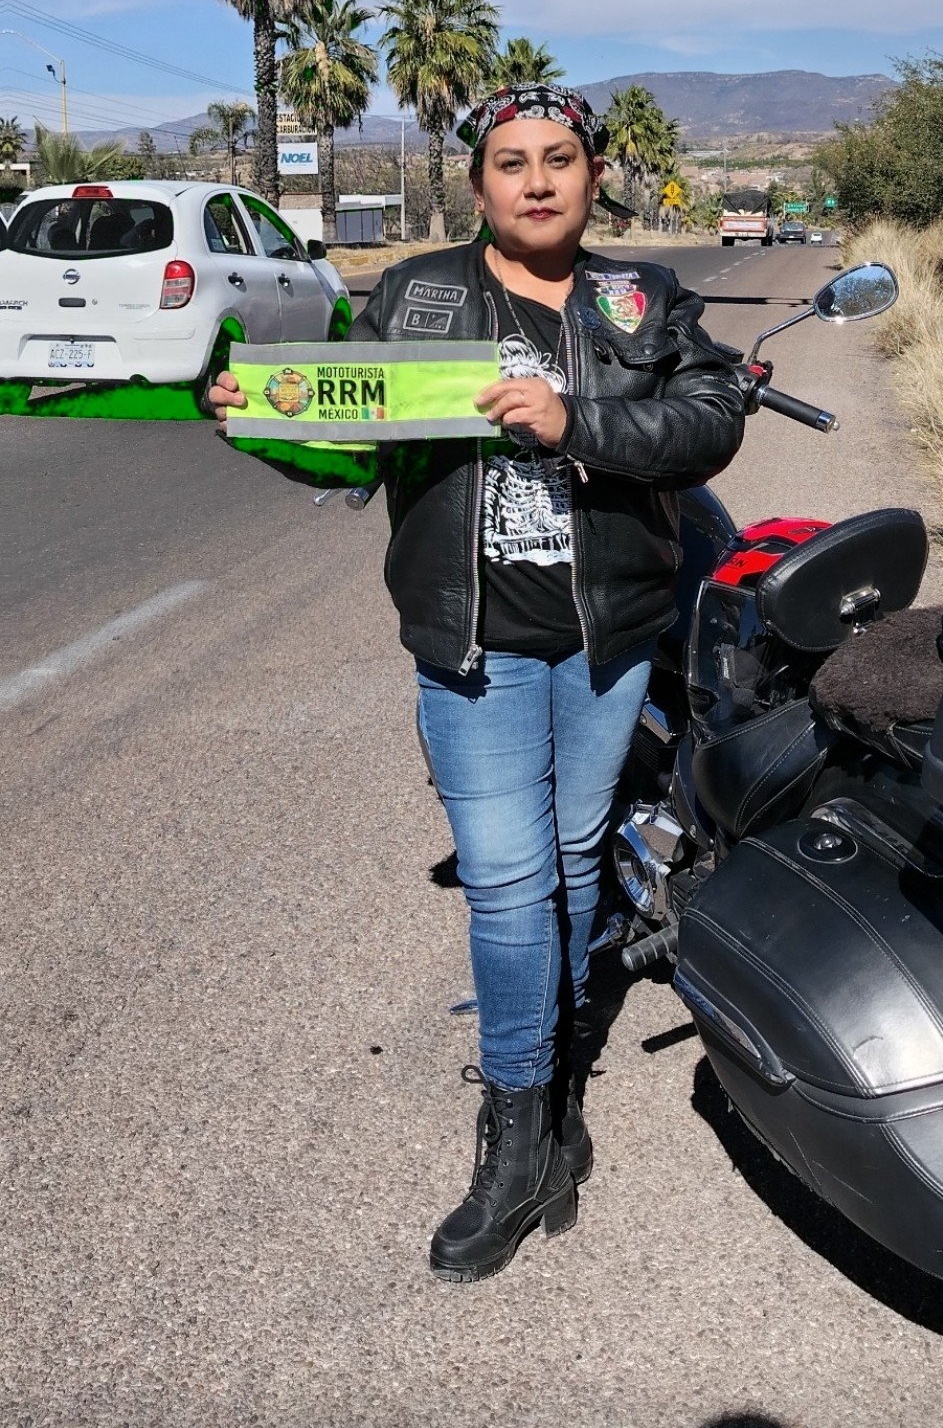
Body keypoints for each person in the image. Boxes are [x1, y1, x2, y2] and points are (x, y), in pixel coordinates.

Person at [209, 83, 745, 1283]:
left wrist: (575, 420)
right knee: (508, 883)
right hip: (473, 642)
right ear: (478, 184)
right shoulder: (415, 294)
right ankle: (516, 1133)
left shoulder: (643, 296)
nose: (537, 180)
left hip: (608, 640)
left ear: (594, 175)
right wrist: (261, 417)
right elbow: (349, 438)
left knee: (573, 861)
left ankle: (557, 1100)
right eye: (512, 161)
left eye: (559, 158)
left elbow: (709, 422)